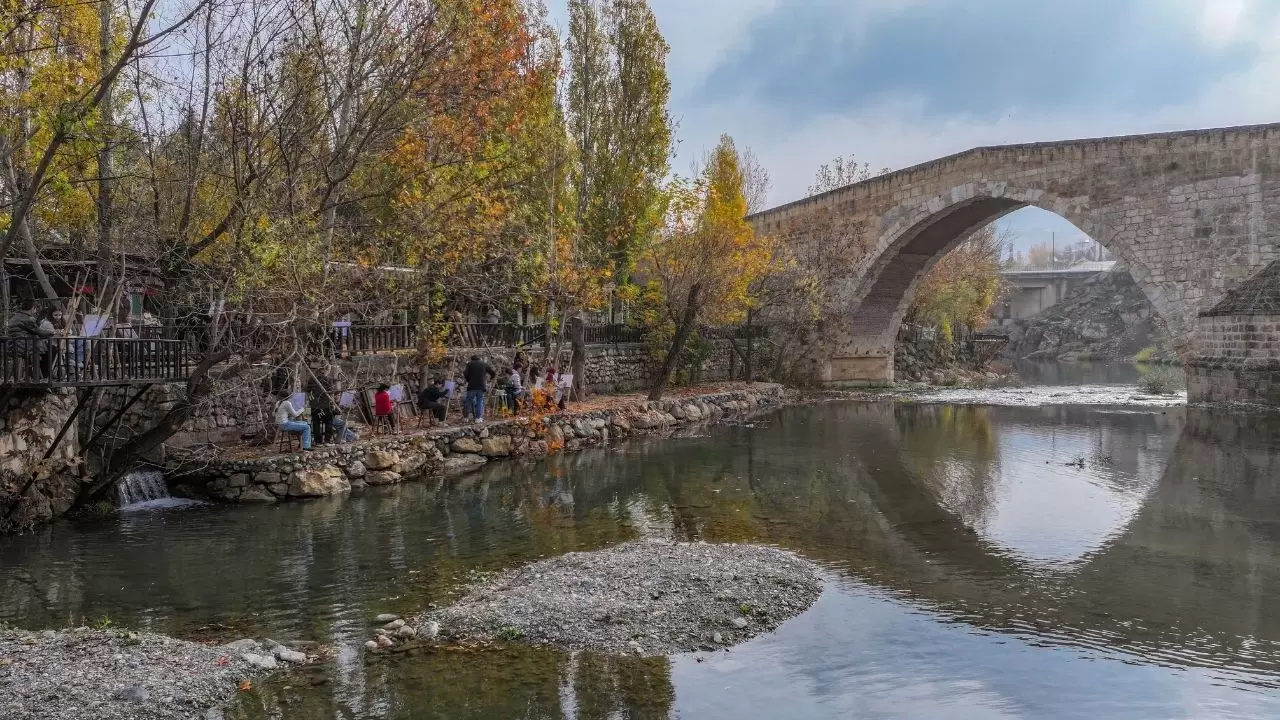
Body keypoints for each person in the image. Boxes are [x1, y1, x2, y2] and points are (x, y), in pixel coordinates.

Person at [7, 300, 54, 381]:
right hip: (25, 346)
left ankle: (38, 376)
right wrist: (52, 332)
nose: (35, 312)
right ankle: (40, 377)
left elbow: (33, 329)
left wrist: (39, 321)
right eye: (35, 309)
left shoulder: (16, 316)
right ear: (33, 308)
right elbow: (38, 331)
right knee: (50, 350)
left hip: (14, 345)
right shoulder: (27, 319)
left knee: (47, 349)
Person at [463, 354, 496, 423]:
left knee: (468, 402)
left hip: (472, 386)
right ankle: (478, 418)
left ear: (472, 359)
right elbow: (493, 373)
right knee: (479, 402)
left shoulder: (469, 364)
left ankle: (466, 418)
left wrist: (469, 379)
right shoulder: (484, 364)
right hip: (481, 386)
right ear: (479, 359)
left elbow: (465, 373)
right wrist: (490, 379)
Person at [309, 378, 338, 445]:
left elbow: (309, 394)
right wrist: (332, 405)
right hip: (324, 405)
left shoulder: (311, 381)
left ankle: (317, 441)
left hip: (314, 406)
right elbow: (331, 394)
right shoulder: (327, 380)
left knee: (316, 423)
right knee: (329, 421)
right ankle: (327, 441)